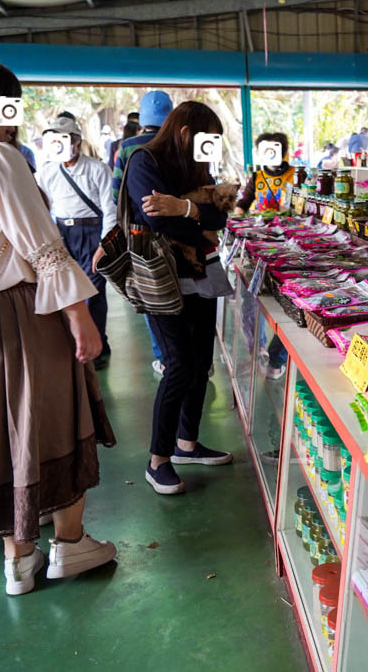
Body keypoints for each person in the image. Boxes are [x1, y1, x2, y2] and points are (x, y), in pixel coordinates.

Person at [0, 52, 116, 595]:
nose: (13, 117)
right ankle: (70, 545)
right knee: (57, 420)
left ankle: (18, 562)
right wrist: (81, 318)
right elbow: (42, 249)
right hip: (19, 312)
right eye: (4, 105)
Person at [113, 101, 234, 495]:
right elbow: (157, 221)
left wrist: (184, 207)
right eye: (206, 139)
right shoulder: (144, 161)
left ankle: (187, 443)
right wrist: (199, 221)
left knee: (200, 364)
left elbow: (221, 215)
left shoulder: (197, 166)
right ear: (185, 133)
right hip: (161, 278)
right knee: (178, 364)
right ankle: (158, 460)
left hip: (201, 274)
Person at [37, 116, 114, 369]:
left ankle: (98, 346)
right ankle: (78, 345)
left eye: (65, 139)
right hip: (62, 234)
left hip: (91, 234)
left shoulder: (97, 169)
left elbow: (109, 208)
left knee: (93, 292)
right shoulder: (47, 172)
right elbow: (42, 206)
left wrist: (105, 243)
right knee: (67, 292)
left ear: (77, 143)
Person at [108, 90, 174, 376]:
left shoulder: (128, 147)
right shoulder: (177, 143)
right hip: (176, 227)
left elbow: (115, 193)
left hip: (140, 232)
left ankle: (163, 355)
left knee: (151, 291)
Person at [235, 131, 295, 215]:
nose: (271, 153)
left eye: (274, 149)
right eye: (267, 150)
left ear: (282, 151)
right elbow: (244, 202)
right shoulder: (256, 176)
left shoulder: (296, 174)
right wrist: (238, 214)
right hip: (262, 225)